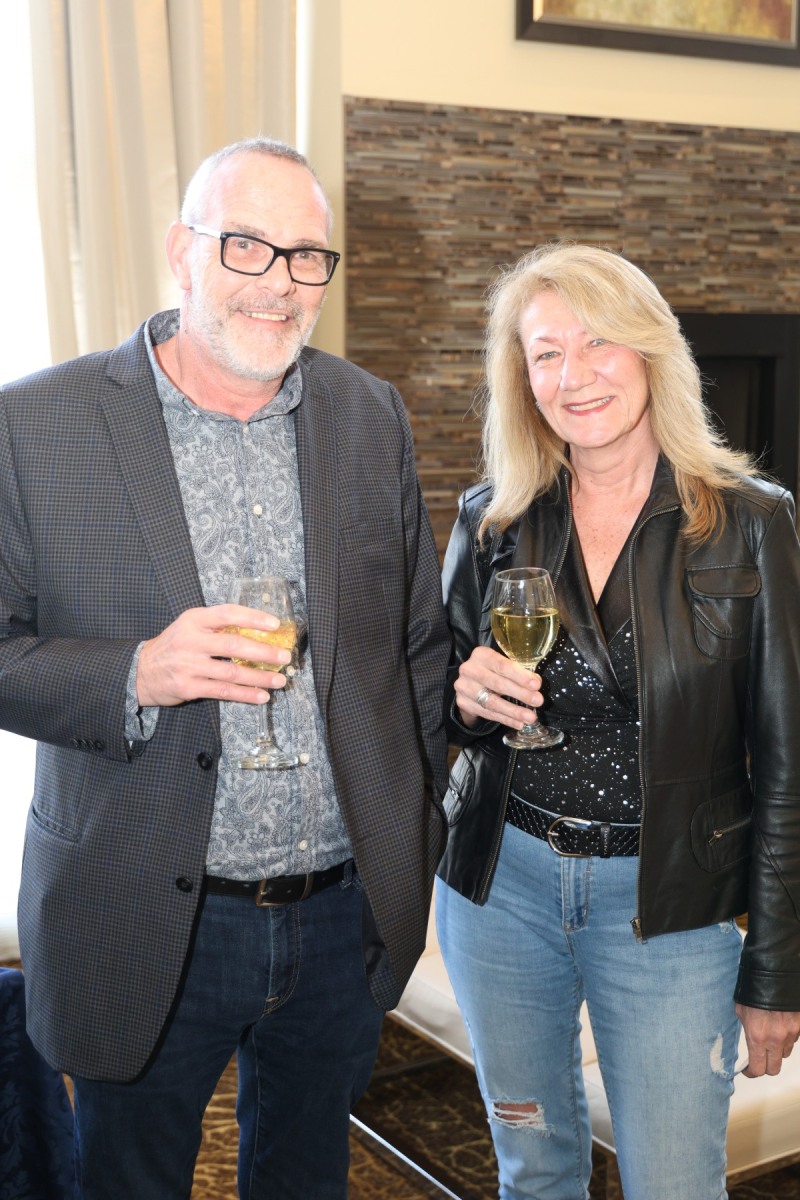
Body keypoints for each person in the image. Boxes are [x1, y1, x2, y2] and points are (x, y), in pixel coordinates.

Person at [0, 136, 450, 1199]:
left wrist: (414, 829)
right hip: (145, 917)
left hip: (338, 918)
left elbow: (416, 645)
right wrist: (135, 674)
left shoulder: (368, 414)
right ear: (182, 251)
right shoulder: (33, 422)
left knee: (306, 1180)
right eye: (246, 245)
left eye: (306, 257)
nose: (279, 283)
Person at [436, 242, 800, 1200]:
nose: (575, 374)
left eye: (598, 341)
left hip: (670, 907)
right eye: (547, 353)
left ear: (650, 350)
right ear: (523, 379)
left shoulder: (751, 522)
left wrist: (776, 971)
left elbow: (788, 767)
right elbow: (430, 705)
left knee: (675, 1185)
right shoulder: (493, 519)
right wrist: (461, 698)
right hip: (501, 893)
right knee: (532, 1168)